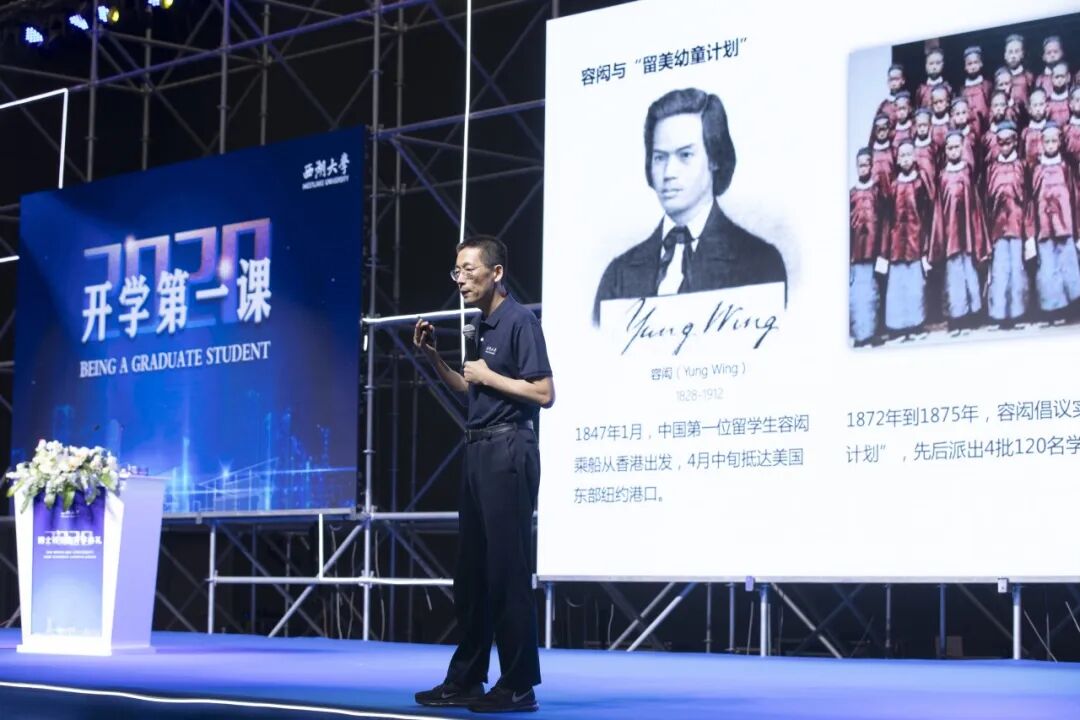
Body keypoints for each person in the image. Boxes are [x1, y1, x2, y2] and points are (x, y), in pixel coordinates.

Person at [413, 235, 554, 714]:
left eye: (469, 269)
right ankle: (467, 679)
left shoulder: (520, 320)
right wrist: (434, 357)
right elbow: (468, 387)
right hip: (477, 450)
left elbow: (544, 393)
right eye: (456, 270)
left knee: (506, 572)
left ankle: (519, 685)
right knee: (470, 575)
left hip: (509, 449)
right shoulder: (479, 324)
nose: (460, 279)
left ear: (496, 272)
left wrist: (488, 376)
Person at [592, 88, 786, 324]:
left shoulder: (760, 263)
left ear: (715, 158)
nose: (668, 173)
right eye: (659, 157)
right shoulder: (618, 274)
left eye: (685, 155)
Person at [929, 131, 989, 329]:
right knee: (954, 275)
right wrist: (939, 238)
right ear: (946, 150)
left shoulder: (966, 173)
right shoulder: (942, 176)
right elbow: (939, 209)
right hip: (951, 234)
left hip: (968, 233)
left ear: (962, 148)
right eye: (950, 148)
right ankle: (958, 316)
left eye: (957, 147)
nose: (954, 151)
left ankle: (974, 313)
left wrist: (977, 232)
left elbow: (975, 205)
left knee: (970, 272)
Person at [1027, 123, 1080, 321]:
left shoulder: (1065, 168)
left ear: (1059, 143)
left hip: (1065, 226)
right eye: (1047, 142)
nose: (1050, 145)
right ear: (1042, 143)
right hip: (1045, 228)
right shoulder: (1037, 170)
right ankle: (1054, 311)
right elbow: (1031, 201)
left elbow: (1075, 199)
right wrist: (1031, 231)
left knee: (1068, 267)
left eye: (1053, 141)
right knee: (1049, 269)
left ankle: (1072, 310)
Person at [881, 140, 934, 337]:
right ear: (897, 159)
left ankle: (916, 324)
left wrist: (925, 246)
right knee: (898, 288)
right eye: (901, 155)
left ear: (914, 157)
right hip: (896, 245)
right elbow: (888, 218)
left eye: (908, 155)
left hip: (915, 243)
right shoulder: (893, 186)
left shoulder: (919, 184)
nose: (905, 159)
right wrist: (886, 248)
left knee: (914, 288)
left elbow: (926, 215)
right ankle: (897, 327)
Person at [984, 122, 1030, 325]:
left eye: (1008, 142)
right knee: (999, 270)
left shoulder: (1022, 166)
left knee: (1016, 269)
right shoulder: (991, 168)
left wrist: (1028, 229)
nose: (1005, 146)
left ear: (1015, 142)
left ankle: (1018, 313)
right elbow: (987, 199)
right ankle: (999, 314)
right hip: (998, 227)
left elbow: (1028, 197)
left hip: (1017, 226)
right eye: (1001, 143)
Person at [850, 148, 885, 345]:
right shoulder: (852, 194)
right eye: (860, 165)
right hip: (857, 253)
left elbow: (884, 221)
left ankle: (872, 332)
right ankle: (860, 335)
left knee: (873, 293)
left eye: (866, 164)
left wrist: (882, 251)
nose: (863, 168)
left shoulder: (877, 191)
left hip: (874, 251)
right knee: (858, 295)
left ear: (872, 166)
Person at [961, 46, 993, 134]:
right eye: (969, 64)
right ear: (965, 67)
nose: (973, 67)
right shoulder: (963, 90)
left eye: (975, 63)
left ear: (981, 63)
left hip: (985, 126)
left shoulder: (987, 85)